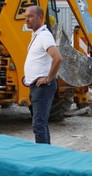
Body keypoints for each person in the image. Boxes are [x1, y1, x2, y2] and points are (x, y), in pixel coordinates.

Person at [24, 5, 62, 144]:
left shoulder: (44, 36)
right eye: (26, 17)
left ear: (40, 17)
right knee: (41, 123)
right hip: (37, 86)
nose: (26, 19)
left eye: (30, 16)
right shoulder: (37, 35)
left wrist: (48, 78)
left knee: (38, 125)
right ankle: (47, 153)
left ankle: (43, 158)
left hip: (43, 87)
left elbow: (58, 58)